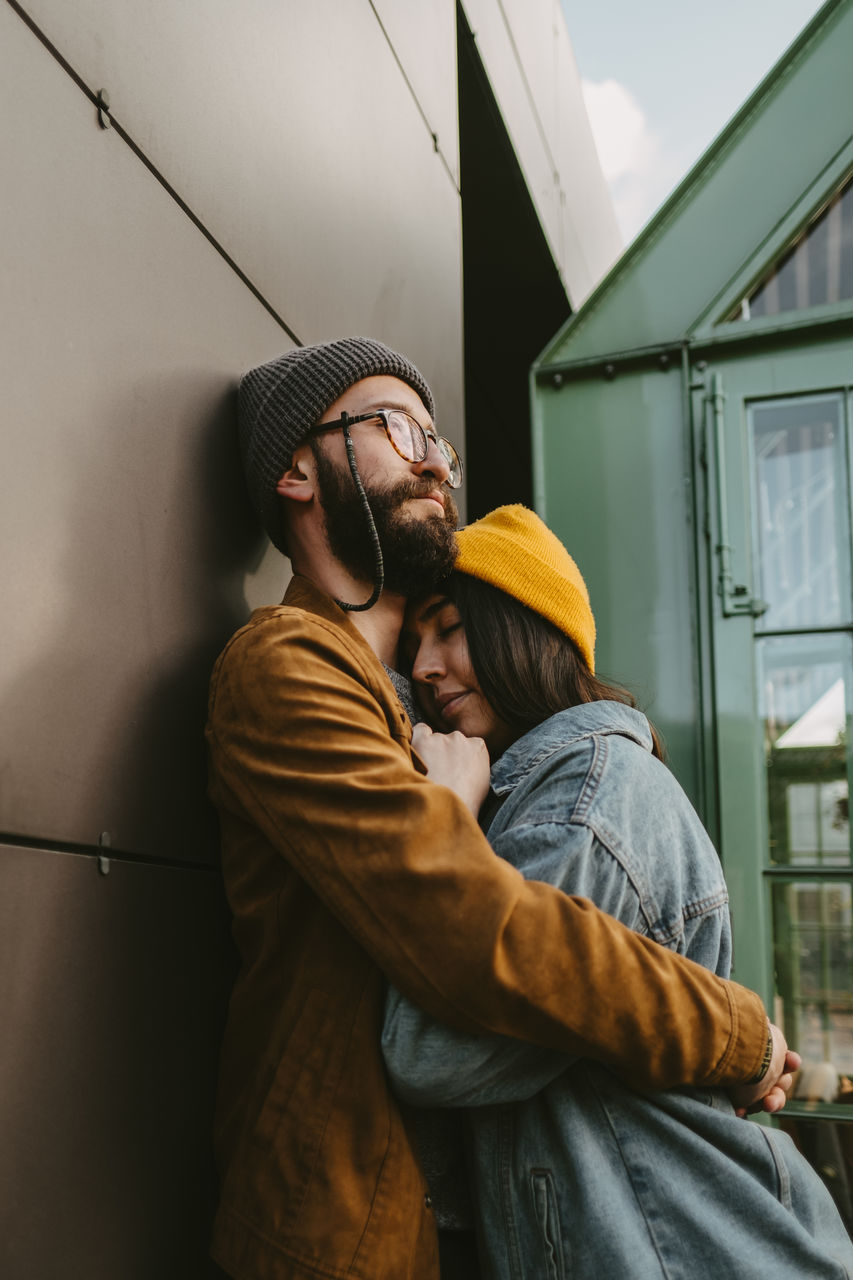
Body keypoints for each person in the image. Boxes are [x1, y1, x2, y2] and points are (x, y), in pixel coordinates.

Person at [206, 338, 793, 1280]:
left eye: (439, 439)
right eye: (397, 428)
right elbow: (476, 931)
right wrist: (732, 1030)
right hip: (341, 1237)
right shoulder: (287, 663)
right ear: (296, 470)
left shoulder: (425, 713)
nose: (436, 458)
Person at [382, 503, 853, 1279]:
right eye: (414, 646)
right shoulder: (562, 792)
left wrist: (443, 820)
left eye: (451, 627)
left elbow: (432, 1056)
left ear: (526, 630)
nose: (426, 668)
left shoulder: (581, 805)